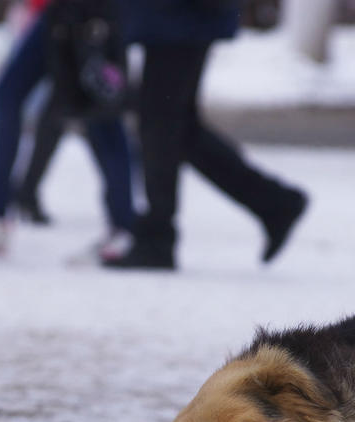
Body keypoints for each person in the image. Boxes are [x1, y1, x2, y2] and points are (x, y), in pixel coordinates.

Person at [103, 0, 308, 269]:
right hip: (177, 16)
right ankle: (274, 202)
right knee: (177, 128)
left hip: (177, 16)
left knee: (160, 124)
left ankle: (157, 238)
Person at [0, 0, 136, 260]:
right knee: (14, 93)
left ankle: (125, 227)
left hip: (90, 12)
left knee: (101, 109)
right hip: (62, 11)